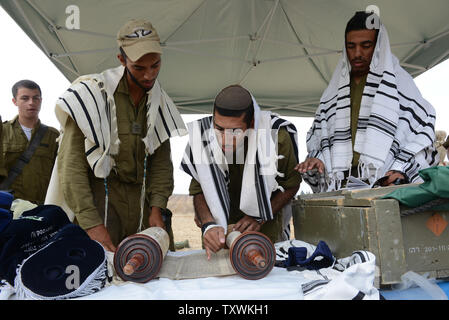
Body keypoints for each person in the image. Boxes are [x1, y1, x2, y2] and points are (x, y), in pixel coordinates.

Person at [49, 19, 187, 252]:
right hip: (100, 204)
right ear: (121, 60)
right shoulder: (90, 96)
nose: (149, 76)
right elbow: (71, 167)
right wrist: (91, 224)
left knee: (154, 272)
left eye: (155, 65)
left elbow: (161, 163)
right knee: (101, 273)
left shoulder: (159, 101)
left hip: (144, 206)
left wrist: (157, 207)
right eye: (139, 68)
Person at [296, 11, 437, 193]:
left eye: (366, 45)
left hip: (386, 184)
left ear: (379, 46)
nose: (357, 53)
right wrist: (318, 159)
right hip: (341, 187)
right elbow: (320, 138)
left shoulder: (398, 84)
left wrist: (401, 168)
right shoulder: (333, 93)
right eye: (351, 46)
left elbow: (420, 132)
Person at [181, 85, 301, 259]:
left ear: (251, 123)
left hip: (262, 228)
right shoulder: (203, 136)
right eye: (219, 129)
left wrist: (260, 217)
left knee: (261, 270)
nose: (224, 140)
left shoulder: (276, 136)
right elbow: (199, 188)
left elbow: (292, 184)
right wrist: (208, 223)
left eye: (234, 131)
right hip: (218, 232)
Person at [0, 80, 59, 203]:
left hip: (40, 208)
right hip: (7, 206)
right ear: (14, 101)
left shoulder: (53, 136)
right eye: (25, 98)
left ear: (41, 100)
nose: (31, 103)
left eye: (36, 98)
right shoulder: (3, 131)